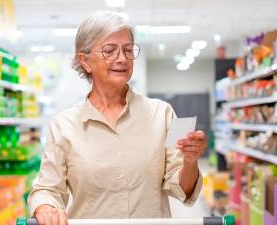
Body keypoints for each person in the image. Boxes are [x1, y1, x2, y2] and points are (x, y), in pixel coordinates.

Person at [27, 11, 206, 225]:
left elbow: (180, 189)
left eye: (128, 50)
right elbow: (47, 189)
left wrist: (190, 161)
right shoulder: (63, 126)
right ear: (85, 61)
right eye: (110, 51)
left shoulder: (163, 113)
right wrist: (45, 206)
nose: (122, 58)